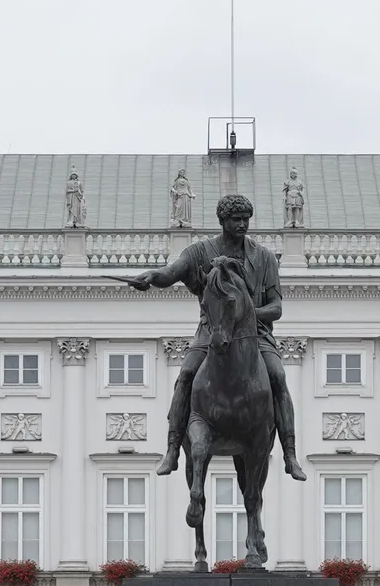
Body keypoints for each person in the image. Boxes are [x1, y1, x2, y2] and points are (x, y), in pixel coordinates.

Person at [129, 193, 305, 482]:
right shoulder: (200, 252)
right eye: (236, 220)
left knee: (277, 376)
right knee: (186, 374)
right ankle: (173, 448)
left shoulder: (264, 258)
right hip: (211, 332)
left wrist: (247, 316)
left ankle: (289, 453)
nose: (242, 225)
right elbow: (170, 273)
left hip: (255, 335)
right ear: (223, 221)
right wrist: (149, 276)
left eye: (246, 219)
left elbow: (276, 308)